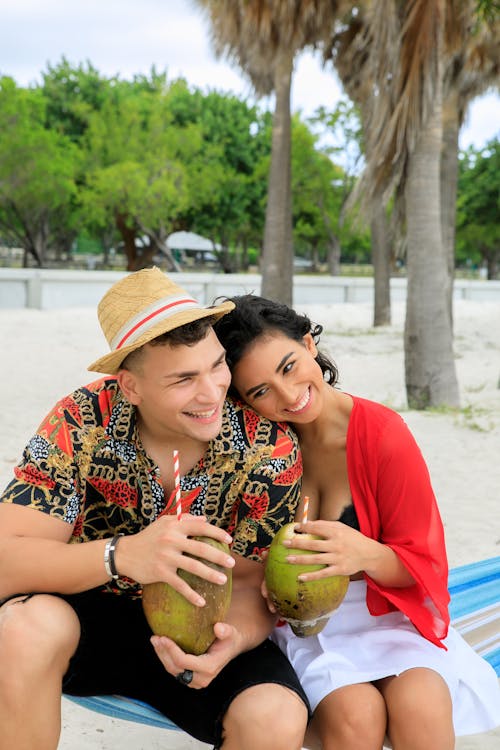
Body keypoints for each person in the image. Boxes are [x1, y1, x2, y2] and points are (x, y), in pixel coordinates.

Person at [0, 269, 310, 750]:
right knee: (24, 630)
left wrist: (234, 640)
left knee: (276, 716)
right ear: (130, 387)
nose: (211, 394)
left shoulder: (267, 446)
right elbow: (6, 559)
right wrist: (121, 556)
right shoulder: (80, 422)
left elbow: (251, 583)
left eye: (216, 366)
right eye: (184, 378)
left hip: (205, 627)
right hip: (86, 618)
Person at [214, 294, 500, 750]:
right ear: (244, 401)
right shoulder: (254, 450)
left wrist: (362, 553)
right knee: (354, 714)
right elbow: (238, 550)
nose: (288, 395)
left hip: (389, 612)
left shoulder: (383, 435)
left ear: (309, 345)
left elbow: (423, 565)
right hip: (305, 624)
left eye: (288, 366)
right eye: (261, 391)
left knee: (421, 702)